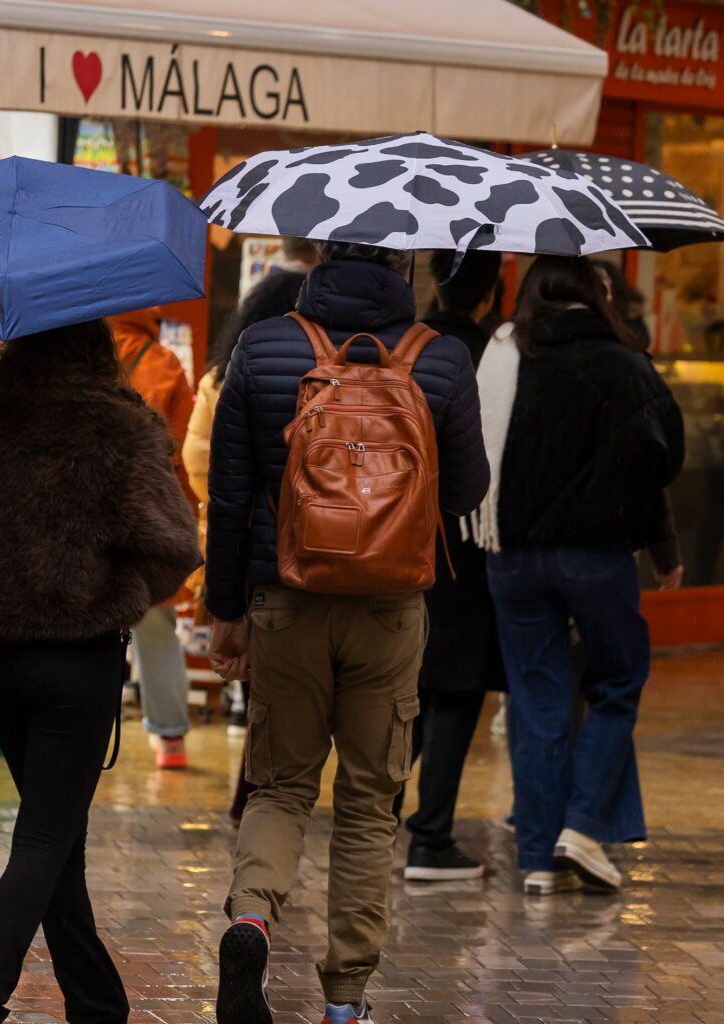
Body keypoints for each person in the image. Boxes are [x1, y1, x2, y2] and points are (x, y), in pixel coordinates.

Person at [206, 242, 488, 1024]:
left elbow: (229, 497)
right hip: (391, 609)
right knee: (369, 803)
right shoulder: (442, 358)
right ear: (405, 269)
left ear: (324, 256)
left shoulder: (263, 346)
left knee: (281, 786)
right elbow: (467, 491)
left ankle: (251, 920)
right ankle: (344, 1001)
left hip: (285, 599)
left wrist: (226, 612)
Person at [0, 319, 201, 1024]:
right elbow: (174, 545)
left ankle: (97, 1003)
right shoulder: (119, 423)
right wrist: (122, 592)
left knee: (59, 842)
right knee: (44, 840)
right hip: (77, 661)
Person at [469, 255, 684, 897]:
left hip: (511, 553)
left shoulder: (503, 354)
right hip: (595, 555)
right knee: (616, 682)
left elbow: (471, 445)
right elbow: (662, 456)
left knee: (536, 702)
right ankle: (583, 827)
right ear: (598, 293)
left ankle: (538, 858)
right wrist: (660, 544)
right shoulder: (624, 362)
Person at [393, 248, 507, 883]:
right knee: (457, 687)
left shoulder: (405, 346)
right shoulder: (495, 355)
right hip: (466, 537)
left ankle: (378, 818)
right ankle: (431, 835)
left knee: (402, 684)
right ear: (490, 293)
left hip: (395, 532)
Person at [183, 268, 307, 822]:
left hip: (243, 543)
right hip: (309, 545)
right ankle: (271, 792)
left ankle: (257, 794)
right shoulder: (320, 374)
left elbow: (198, 461)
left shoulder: (221, 376)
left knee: (263, 681)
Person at [106, 306, 200, 770]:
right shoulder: (162, 362)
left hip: (87, 511)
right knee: (156, 625)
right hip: (147, 514)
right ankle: (170, 738)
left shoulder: (80, 353)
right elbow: (183, 454)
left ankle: (85, 731)